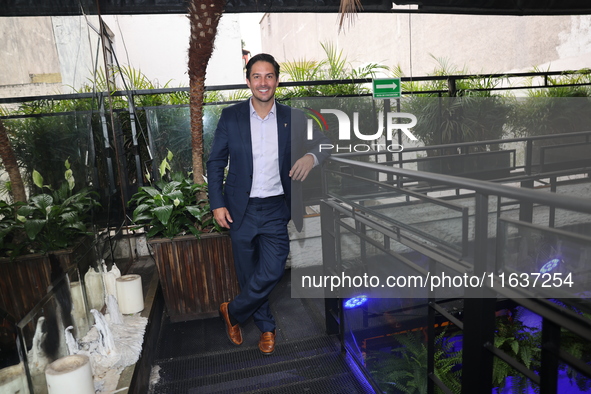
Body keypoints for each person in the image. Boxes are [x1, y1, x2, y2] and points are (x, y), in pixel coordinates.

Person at [206, 53, 331, 355]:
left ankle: (232, 312)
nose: (263, 83)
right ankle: (266, 328)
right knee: (249, 273)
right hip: (240, 209)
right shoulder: (231, 116)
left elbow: (327, 142)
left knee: (273, 269)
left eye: (269, 76)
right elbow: (215, 161)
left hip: (277, 207)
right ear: (248, 81)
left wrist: (310, 157)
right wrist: (217, 202)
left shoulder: (295, 117)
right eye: (257, 77)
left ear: (277, 80)